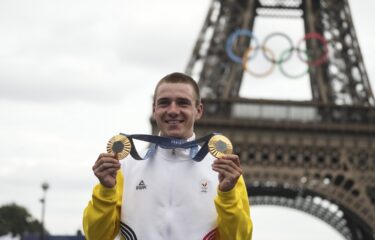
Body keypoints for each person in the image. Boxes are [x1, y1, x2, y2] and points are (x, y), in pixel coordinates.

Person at [83, 72, 253, 240]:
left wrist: (228, 194)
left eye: (183, 103)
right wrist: (105, 191)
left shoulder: (224, 171)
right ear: (154, 109)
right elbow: (96, 236)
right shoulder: (125, 167)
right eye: (164, 103)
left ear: (198, 110)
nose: (173, 110)